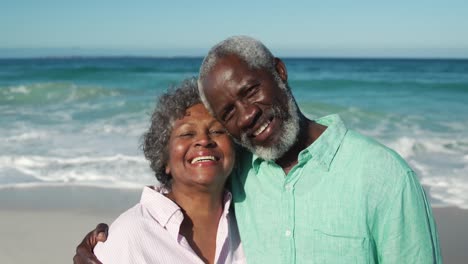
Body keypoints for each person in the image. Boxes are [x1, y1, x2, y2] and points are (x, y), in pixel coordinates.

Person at [75, 36, 441, 263]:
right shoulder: (244, 172)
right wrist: (100, 249)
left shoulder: (383, 176)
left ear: (279, 72)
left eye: (250, 91)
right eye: (228, 113)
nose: (248, 116)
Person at [78, 78, 245, 264]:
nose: (204, 140)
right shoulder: (130, 235)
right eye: (187, 133)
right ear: (164, 158)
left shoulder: (250, 222)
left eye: (217, 131)